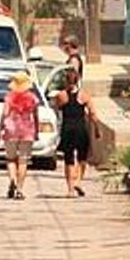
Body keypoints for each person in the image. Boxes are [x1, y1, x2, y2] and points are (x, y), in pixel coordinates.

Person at [53, 68, 99, 197]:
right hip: (80, 128)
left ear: (65, 81)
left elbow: (56, 110)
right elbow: (93, 114)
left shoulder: (61, 96)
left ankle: (70, 189)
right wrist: (96, 129)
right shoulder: (84, 96)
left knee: (68, 158)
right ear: (78, 80)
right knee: (82, 157)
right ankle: (78, 181)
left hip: (67, 128)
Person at [0, 71, 40, 200]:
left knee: (10, 159)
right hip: (27, 129)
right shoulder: (32, 97)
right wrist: (36, 131)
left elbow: (5, 114)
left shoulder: (9, 97)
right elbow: (36, 115)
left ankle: (12, 180)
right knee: (23, 160)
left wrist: (0, 129)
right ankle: (20, 189)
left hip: (11, 128)